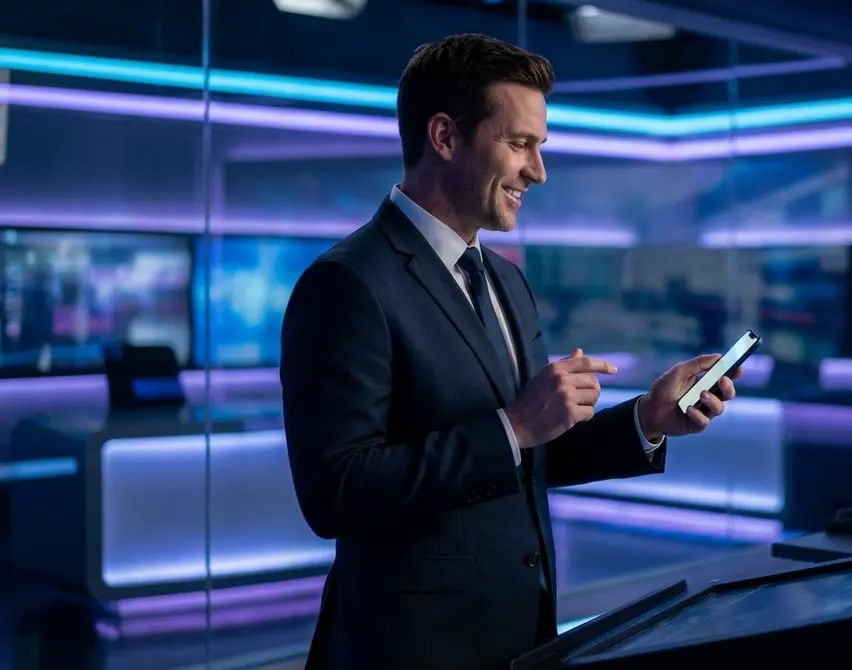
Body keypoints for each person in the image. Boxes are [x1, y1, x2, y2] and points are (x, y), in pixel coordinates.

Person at [280, 33, 742, 670]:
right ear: (444, 137)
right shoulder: (346, 284)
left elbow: (529, 452)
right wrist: (515, 424)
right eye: (519, 144)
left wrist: (646, 420)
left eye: (539, 146)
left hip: (520, 641)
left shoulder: (506, 281)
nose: (538, 170)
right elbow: (334, 492)